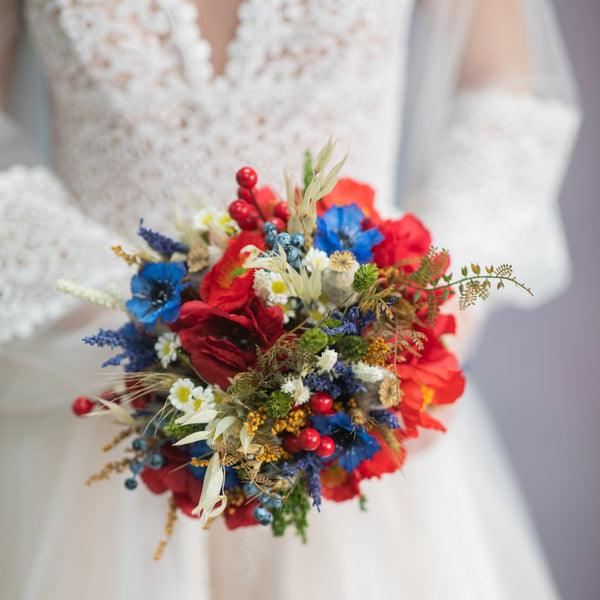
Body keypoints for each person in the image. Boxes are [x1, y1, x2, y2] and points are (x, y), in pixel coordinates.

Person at [0, 1, 580, 598]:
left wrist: (412, 306)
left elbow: (504, 89)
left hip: (352, 398)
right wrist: (137, 319)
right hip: (106, 397)